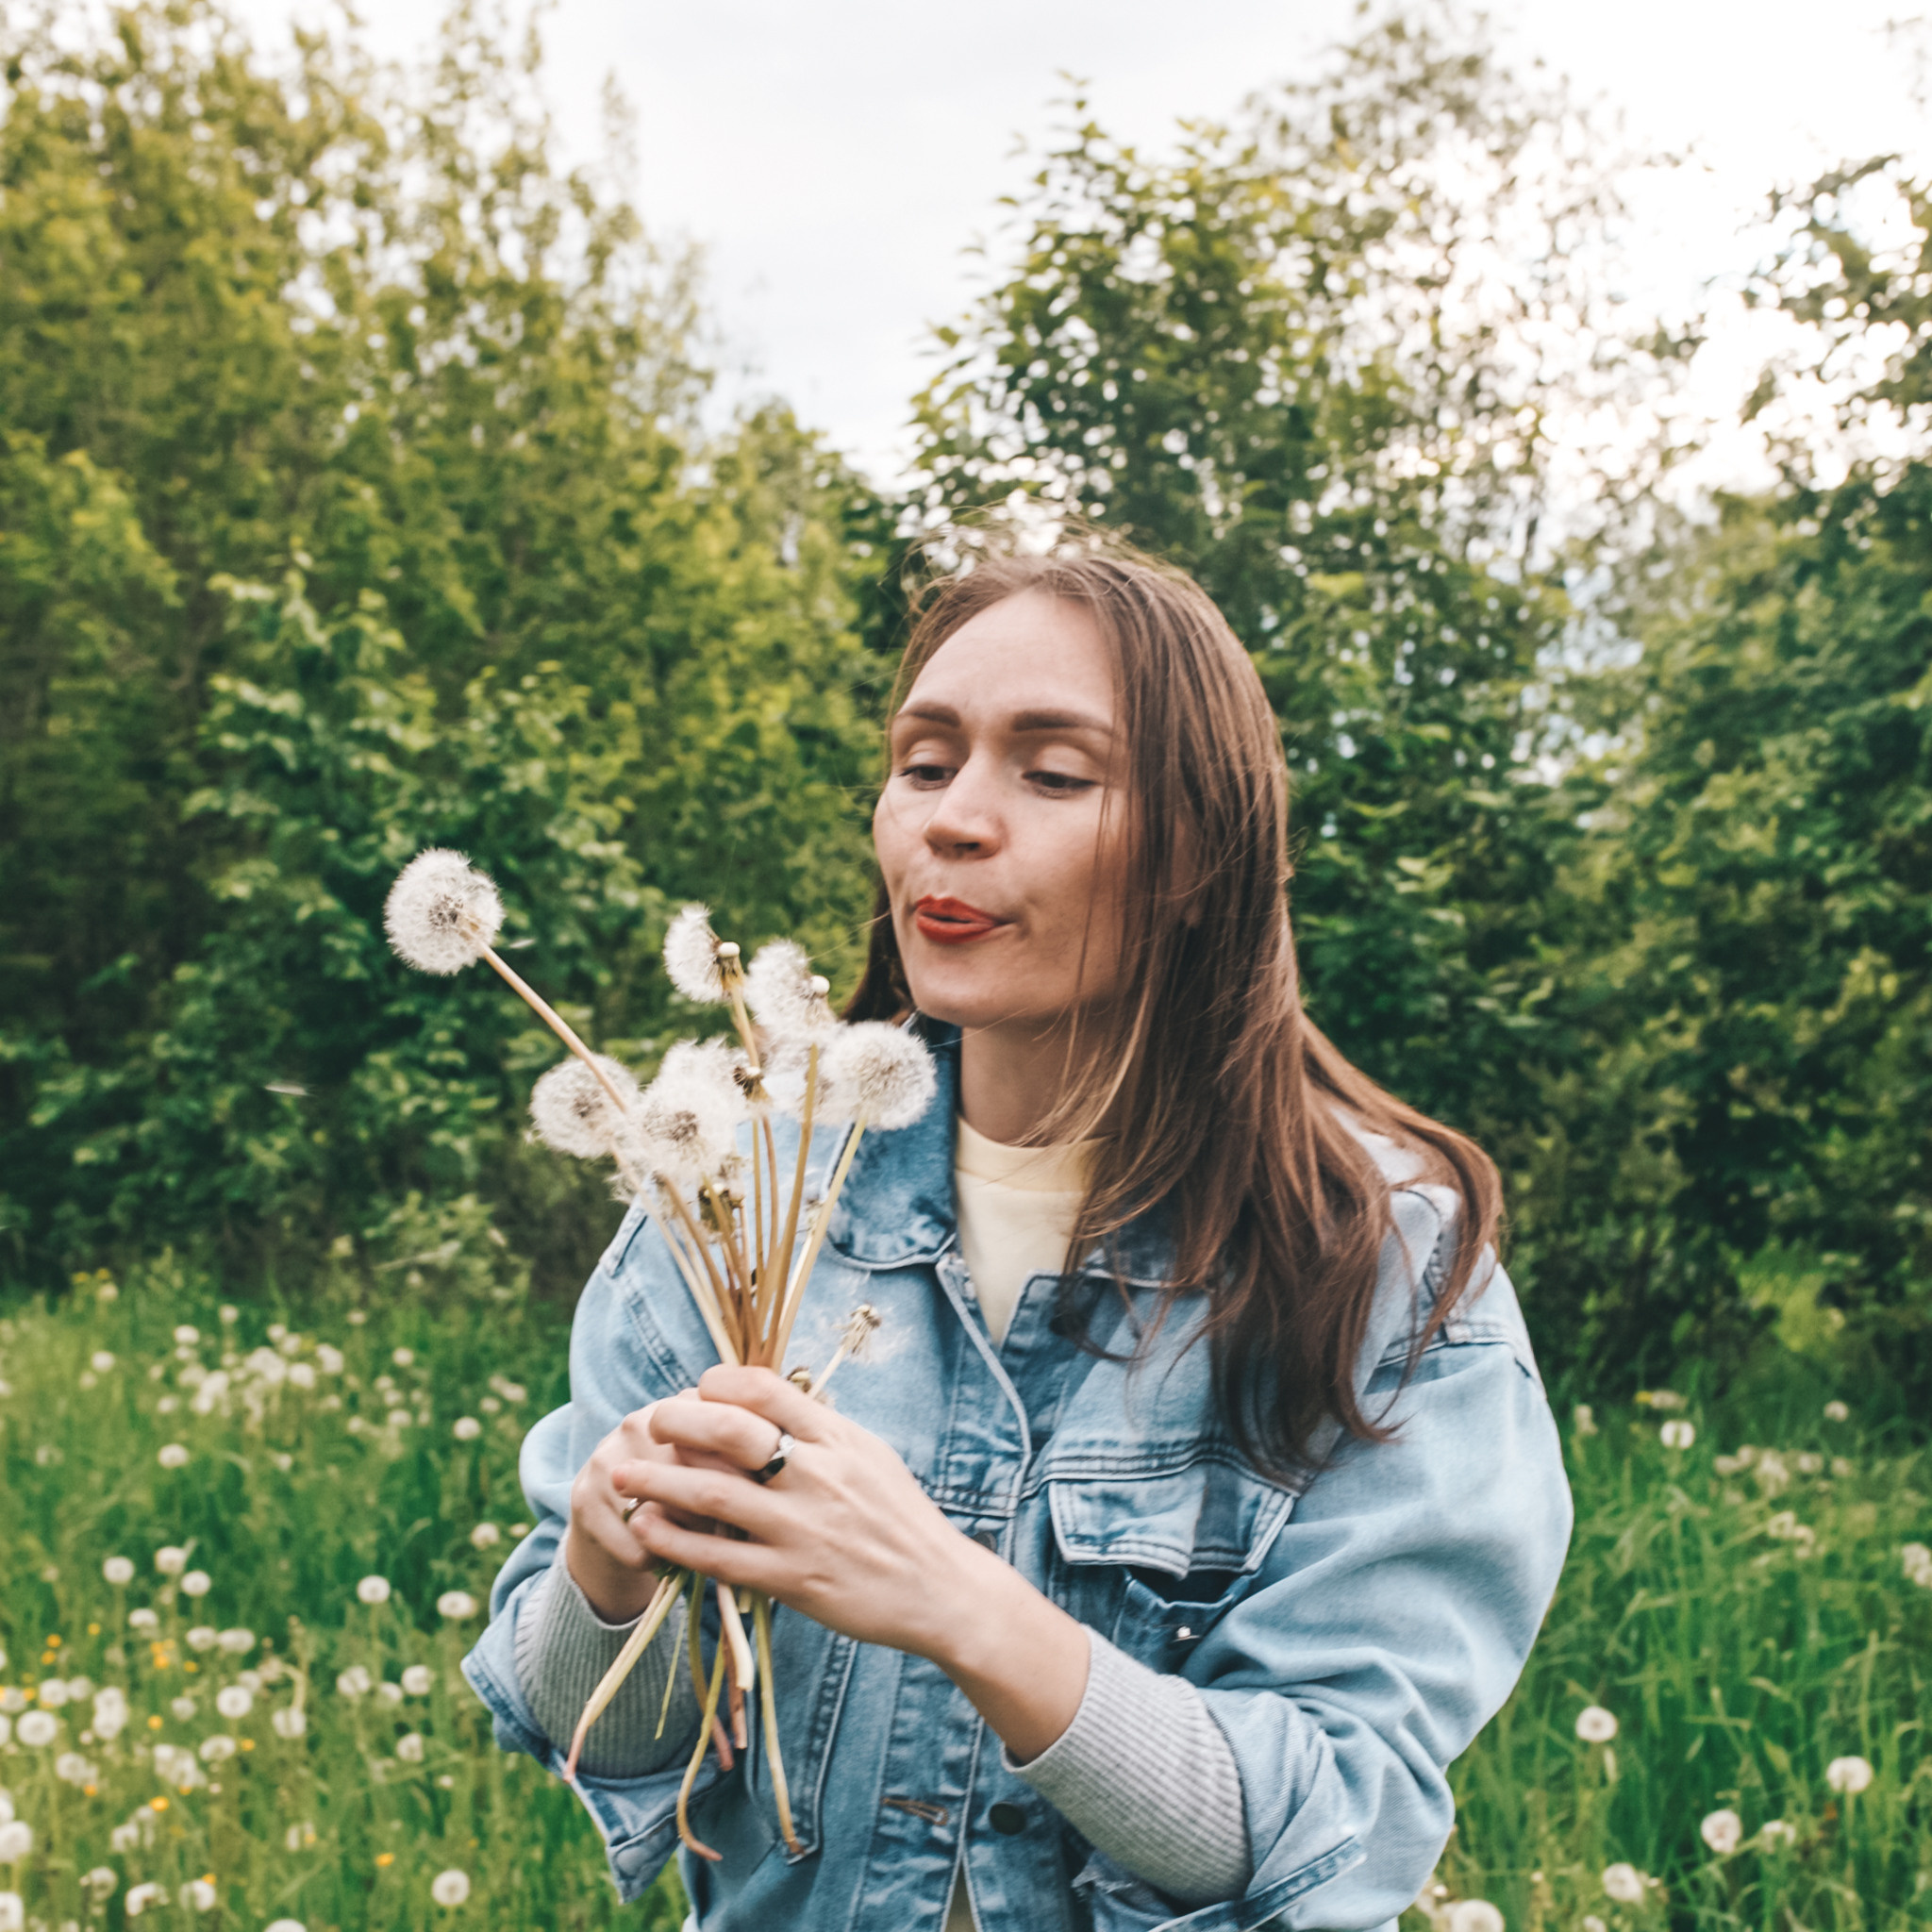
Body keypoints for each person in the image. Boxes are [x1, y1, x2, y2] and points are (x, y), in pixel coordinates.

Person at [462, 538, 1573, 1932]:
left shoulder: (1385, 1266)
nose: (955, 820)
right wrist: (607, 1569)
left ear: (1200, 850)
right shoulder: (737, 1201)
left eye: (1052, 774)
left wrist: (953, 1601)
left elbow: (1331, 1827)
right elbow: (612, 1744)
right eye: (925, 764)